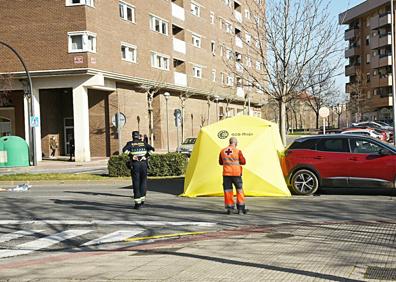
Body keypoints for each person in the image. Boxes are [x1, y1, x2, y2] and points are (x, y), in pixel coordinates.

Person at [123, 131, 155, 209]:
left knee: (136, 183)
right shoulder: (143, 143)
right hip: (144, 164)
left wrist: (132, 156)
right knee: (143, 182)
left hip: (135, 165)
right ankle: (142, 200)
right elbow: (152, 149)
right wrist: (145, 156)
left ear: (132, 136)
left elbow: (124, 151)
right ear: (139, 136)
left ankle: (138, 204)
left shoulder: (130, 144)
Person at [219, 137, 247, 215]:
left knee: (228, 191)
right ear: (236, 143)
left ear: (229, 142)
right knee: (239, 190)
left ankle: (230, 209)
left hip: (226, 174)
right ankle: (241, 209)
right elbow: (243, 162)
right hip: (236, 174)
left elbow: (220, 162)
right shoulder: (238, 151)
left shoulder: (222, 151)